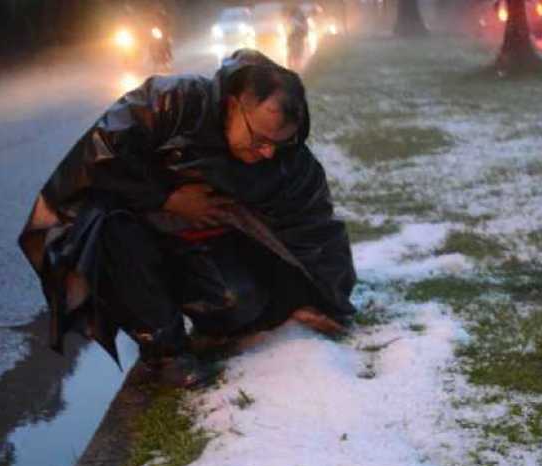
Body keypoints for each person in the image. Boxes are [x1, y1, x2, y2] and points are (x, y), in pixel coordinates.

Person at [18, 49, 356, 388]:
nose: (267, 152)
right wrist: (166, 198)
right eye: (259, 140)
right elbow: (98, 158)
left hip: (203, 251)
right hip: (131, 242)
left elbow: (316, 225)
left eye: (278, 144)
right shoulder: (171, 102)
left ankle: (207, 315)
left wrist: (324, 299)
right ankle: (165, 353)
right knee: (105, 226)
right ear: (234, 104)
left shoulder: (288, 158)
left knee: (236, 307)